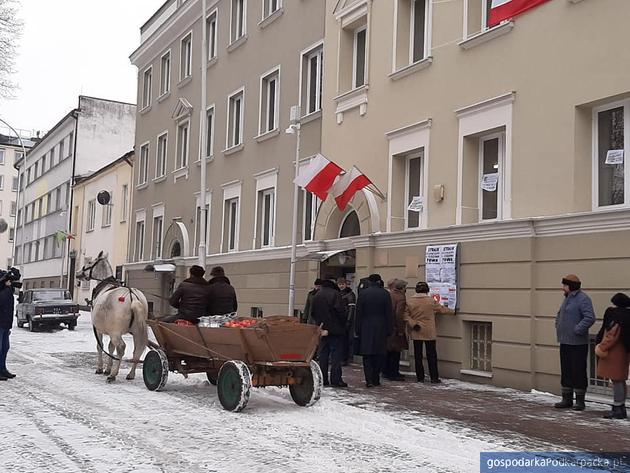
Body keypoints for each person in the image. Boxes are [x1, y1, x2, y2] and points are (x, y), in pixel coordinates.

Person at [554, 274, 595, 411]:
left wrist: (578, 329)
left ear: (570, 286)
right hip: (565, 341)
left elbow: (589, 317)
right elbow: (560, 314)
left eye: (564, 285)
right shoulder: (567, 299)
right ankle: (566, 398)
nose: (563, 288)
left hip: (578, 343)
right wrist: (557, 323)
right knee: (566, 370)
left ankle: (580, 400)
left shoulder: (583, 299)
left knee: (578, 371)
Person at [404, 281, 454, 383]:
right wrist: (453, 311)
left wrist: (413, 324)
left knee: (418, 356)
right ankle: (434, 377)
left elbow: (405, 315)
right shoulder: (430, 301)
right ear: (427, 290)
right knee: (431, 355)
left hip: (416, 330)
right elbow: (441, 309)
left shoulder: (410, 301)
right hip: (429, 331)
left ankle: (420, 378)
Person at [595, 293, 630, 419]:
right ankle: (621, 408)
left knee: (616, 381)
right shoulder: (627, 316)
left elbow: (611, 336)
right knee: (620, 380)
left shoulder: (617, 317)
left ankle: (617, 408)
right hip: (623, 353)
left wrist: (601, 347)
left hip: (614, 353)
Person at [356, 274, 393, 388]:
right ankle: (376, 378)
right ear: (378, 281)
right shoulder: (385, 294)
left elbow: (359, 313)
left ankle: (369, 380)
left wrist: (358, 329)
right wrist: (389, 329)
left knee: (367, 355)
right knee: (379, 354)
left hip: (366, 327)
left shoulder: (363, 294)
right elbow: (389, 313)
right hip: (381, 327)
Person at [311, 277, 348, 387]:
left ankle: (323, 379)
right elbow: (341, 312)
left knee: (323, 355)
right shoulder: (335, 294)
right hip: (335, 330)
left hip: (321, 329)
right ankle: (336, 380)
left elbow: (312, 313)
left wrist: (320, 325)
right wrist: (342, 324)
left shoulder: (317, 295)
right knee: (336, 356)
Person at [383, 279, 408, 381]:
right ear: (401, 288)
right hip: (395, 328)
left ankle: (385, 371)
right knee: (395, 351)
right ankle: (393, 373)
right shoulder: (401, 297)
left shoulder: (388, 295)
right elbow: (399, 314)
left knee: (388, 351)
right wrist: (401, 329)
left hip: (387, 326)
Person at [0, 268, 21, 380]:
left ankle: (2, 369)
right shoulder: (3, 289)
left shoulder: (8, 289)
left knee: (5, 347)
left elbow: (17, 277)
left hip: (5, 323)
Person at [337, 277, 356, 364]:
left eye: (342, 284)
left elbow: (351, 308)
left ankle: (345, 358)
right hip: (340, 319)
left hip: (346, 320)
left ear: (346, 284)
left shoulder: (350, 294)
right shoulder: (338, 294)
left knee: (346, 340)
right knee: (340, 340)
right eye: (339, 284)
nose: (341, 286)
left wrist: (348, 320)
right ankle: (340, 357)